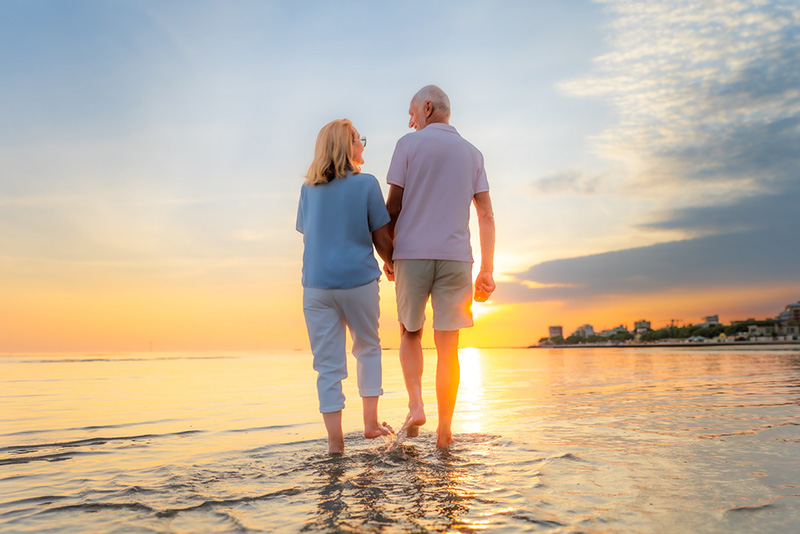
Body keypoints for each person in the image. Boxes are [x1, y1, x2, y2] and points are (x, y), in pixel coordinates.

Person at [384, 85, 496, 449]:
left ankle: (416, 406)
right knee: (449, 348)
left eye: (412, 112)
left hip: (412, 255)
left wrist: (388, 256)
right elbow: (486, 215)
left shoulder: (407, 145)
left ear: (428, 107)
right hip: (456, 258)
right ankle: (445, 433)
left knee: (409, 333)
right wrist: (487, 270)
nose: (410, 120)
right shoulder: (473, 153)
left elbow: (392, 208)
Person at [297, 119, 394, 454]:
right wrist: (392, 262)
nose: (363, 145)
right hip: (357, 281)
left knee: (327, 366)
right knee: (367, 348)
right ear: (346, 146)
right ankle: (369, 424)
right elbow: (381, 237)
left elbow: (309, 236)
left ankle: (335, 444)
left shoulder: (307, 190)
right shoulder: (366, 184)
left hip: (317, 286)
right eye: (358, 139)